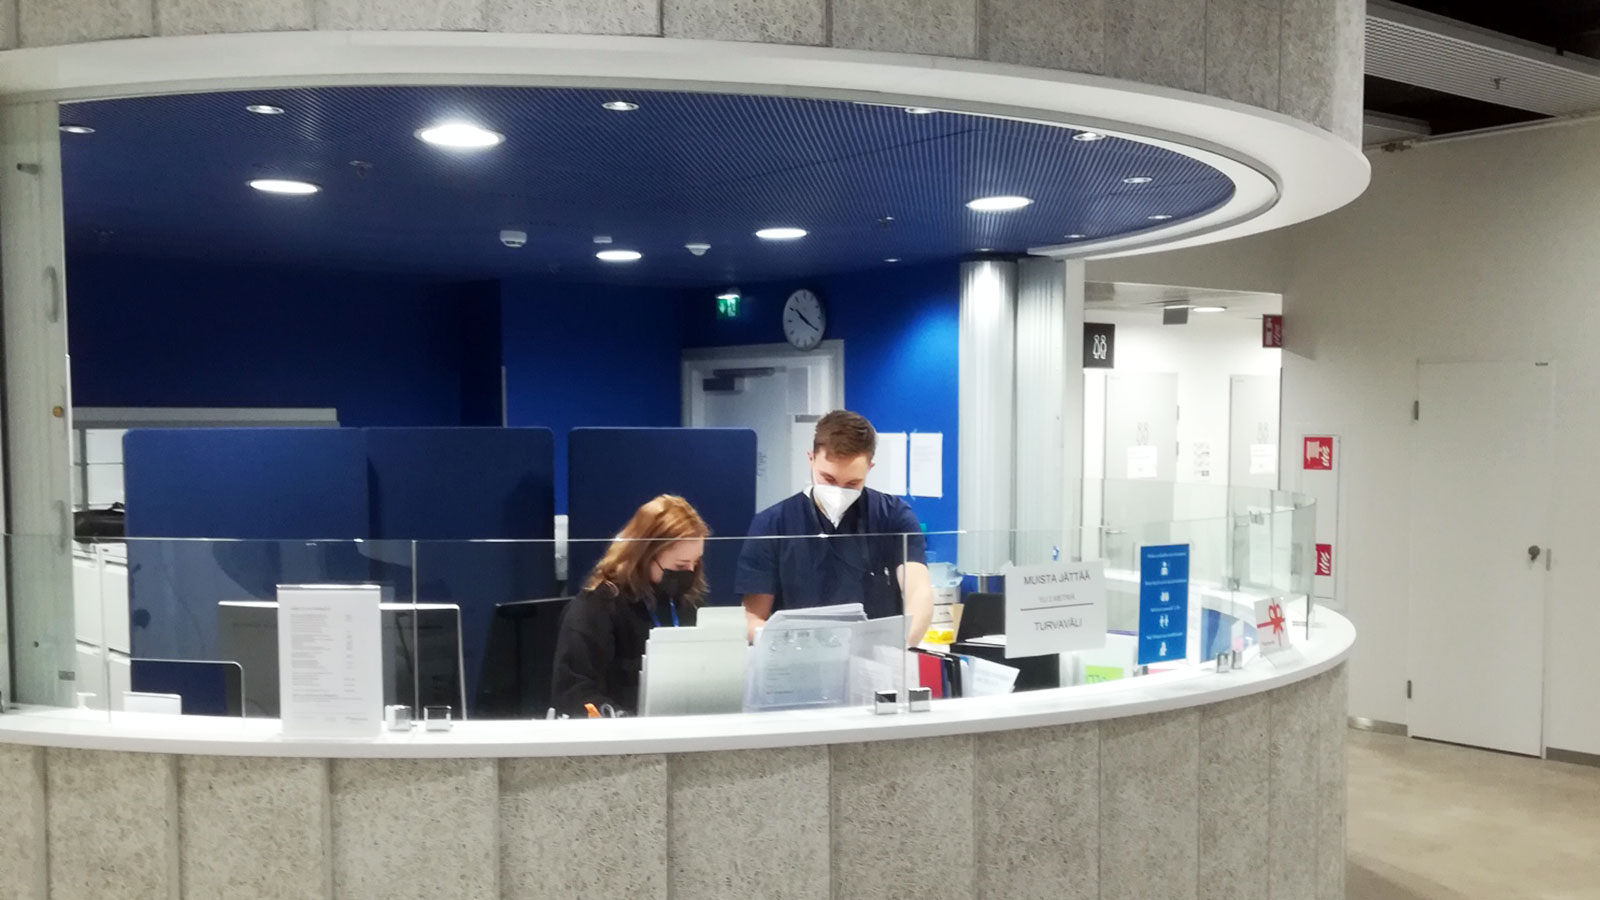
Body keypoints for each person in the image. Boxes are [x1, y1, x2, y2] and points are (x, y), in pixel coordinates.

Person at [736, 410, 933, 645]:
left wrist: (903, 643)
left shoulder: (893, 516)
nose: (839, 491)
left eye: (852, 483)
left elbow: (918, 591)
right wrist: (793, 644)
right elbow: (752, 618)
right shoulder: (772, 524)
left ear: (870, 467)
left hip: (875, 660)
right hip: (798, 661)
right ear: (811, 458)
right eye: (828, 479)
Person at [550, 494, 708, 717]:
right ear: (645, 556)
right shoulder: (596, 608)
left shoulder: (688, 603)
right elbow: (573, 693)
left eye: (696, 562)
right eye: (681, 565)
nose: (690, 573)